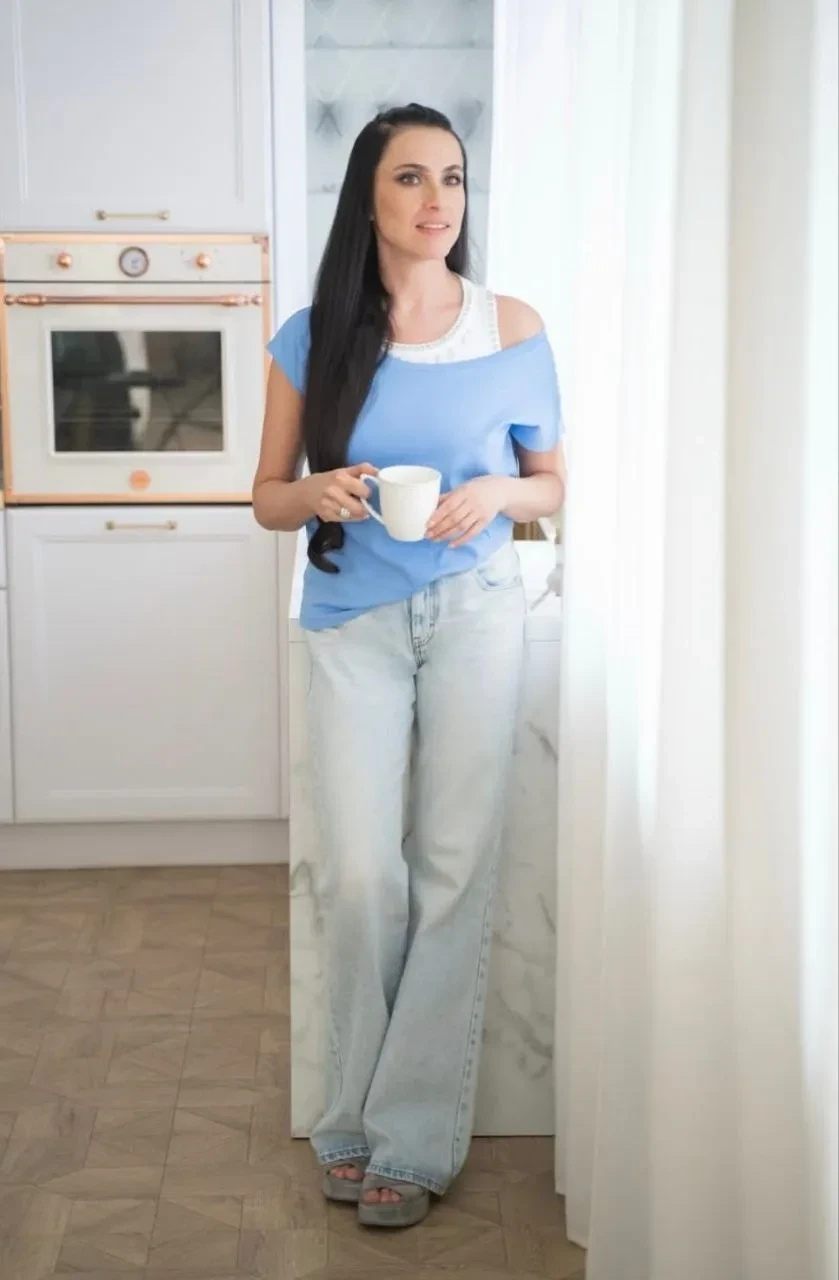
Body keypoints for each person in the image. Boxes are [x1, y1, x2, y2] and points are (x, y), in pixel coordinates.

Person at [253, 103, 565, 1229]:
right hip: (352, 620)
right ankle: (348, 1117)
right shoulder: (312, 334)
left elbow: (553, 483)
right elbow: (266, 498)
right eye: (410, 178)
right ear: (368, 197)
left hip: (477, 610)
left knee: (452, 868)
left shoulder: (509, 324)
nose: (437, 200)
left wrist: (496, 494)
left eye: (452, 178)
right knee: (359, 873)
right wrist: (318, 491)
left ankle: (413, 1138)